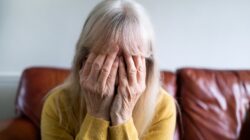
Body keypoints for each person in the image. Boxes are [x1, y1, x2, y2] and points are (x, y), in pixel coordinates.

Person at [41, 0, 176, 139]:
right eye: (106, 58)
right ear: (83, 59)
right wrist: (96, 114)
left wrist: (122, 117)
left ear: (147, 64)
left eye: (128, 59)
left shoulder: (162, 107)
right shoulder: (57, 105)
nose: (114, 70)